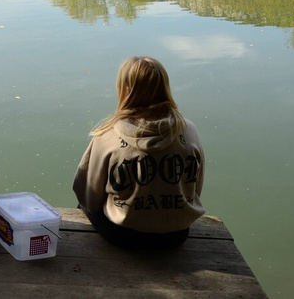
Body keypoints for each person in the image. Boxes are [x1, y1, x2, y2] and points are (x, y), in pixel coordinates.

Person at [73, 56, 205, 249]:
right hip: (177, 236)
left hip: (124, 235)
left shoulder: (107, 134)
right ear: (164, 88)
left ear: (126, 90)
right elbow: (195, 190)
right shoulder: (189, 130)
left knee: (83, 207)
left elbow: (89, 198)